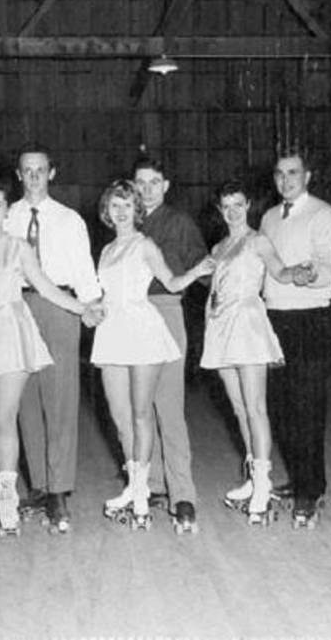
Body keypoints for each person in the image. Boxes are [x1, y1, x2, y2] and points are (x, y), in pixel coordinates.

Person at [0, 178, 98, 536]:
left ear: (7, 210)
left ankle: (7, 503)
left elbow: (47, 287)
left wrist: (83, 308)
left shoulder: (19, 248)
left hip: (11, 333)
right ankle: (4, 489)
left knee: (4, 419)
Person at [94, 180, 214, 531]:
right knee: (120, 416)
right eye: (115, 205)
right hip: (112, 331)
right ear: (107, 210)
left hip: (142, 328)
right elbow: (104, 295)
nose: (120, 212)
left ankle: (142, 493)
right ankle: (136, 484)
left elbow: (172, 282)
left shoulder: (144, 244)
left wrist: (198, 270)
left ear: (137, 211)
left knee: (143, 413)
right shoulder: (106, 251)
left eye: (127, 206)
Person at [3, 144, 102, 534]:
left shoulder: (69, 220)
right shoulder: (5, 217)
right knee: (24, 400)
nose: (33, 177)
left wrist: (92, 307)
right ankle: (40, 485)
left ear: (52, 173)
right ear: (18, 174)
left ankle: (59, 490)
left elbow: (84, 271)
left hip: (60, 307)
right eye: (26, 170)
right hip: (17, 309)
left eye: (40, 170)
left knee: (60, 397)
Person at [202, 180, 303, 526]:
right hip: (221, 326)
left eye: (238, 204)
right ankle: (253, 476)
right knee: (239, 408)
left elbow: (279, 270)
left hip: (248, 323)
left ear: (248, 207)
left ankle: (263, 483)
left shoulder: (258, 240)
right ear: (220, 210)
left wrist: (298, 273)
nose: (232, 211)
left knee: (256, 406)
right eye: (226, 206)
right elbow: (211, 290)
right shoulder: (217, 248)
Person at [260, 148, 331, 530]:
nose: (286, 180)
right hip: (274, 319)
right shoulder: (268, 218)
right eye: (280, 174)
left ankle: (311, 489)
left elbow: (329, 264)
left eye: (293, 172)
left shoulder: (324, 215)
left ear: (307, 176)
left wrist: (311, 275)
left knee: (308, 406)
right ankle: (298, 479)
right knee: (280, 407)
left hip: (310, 319)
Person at [132, 156, 207, 533]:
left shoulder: (179, 223)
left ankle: (183, 495)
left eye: (153, 182)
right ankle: (152, 483)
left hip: (165, 312)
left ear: (166, 185)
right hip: (130, 319)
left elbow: (204, 267)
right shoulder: (124, 221)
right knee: (137, 409)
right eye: (139, 183)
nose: (146, 189)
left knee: (169, 408)